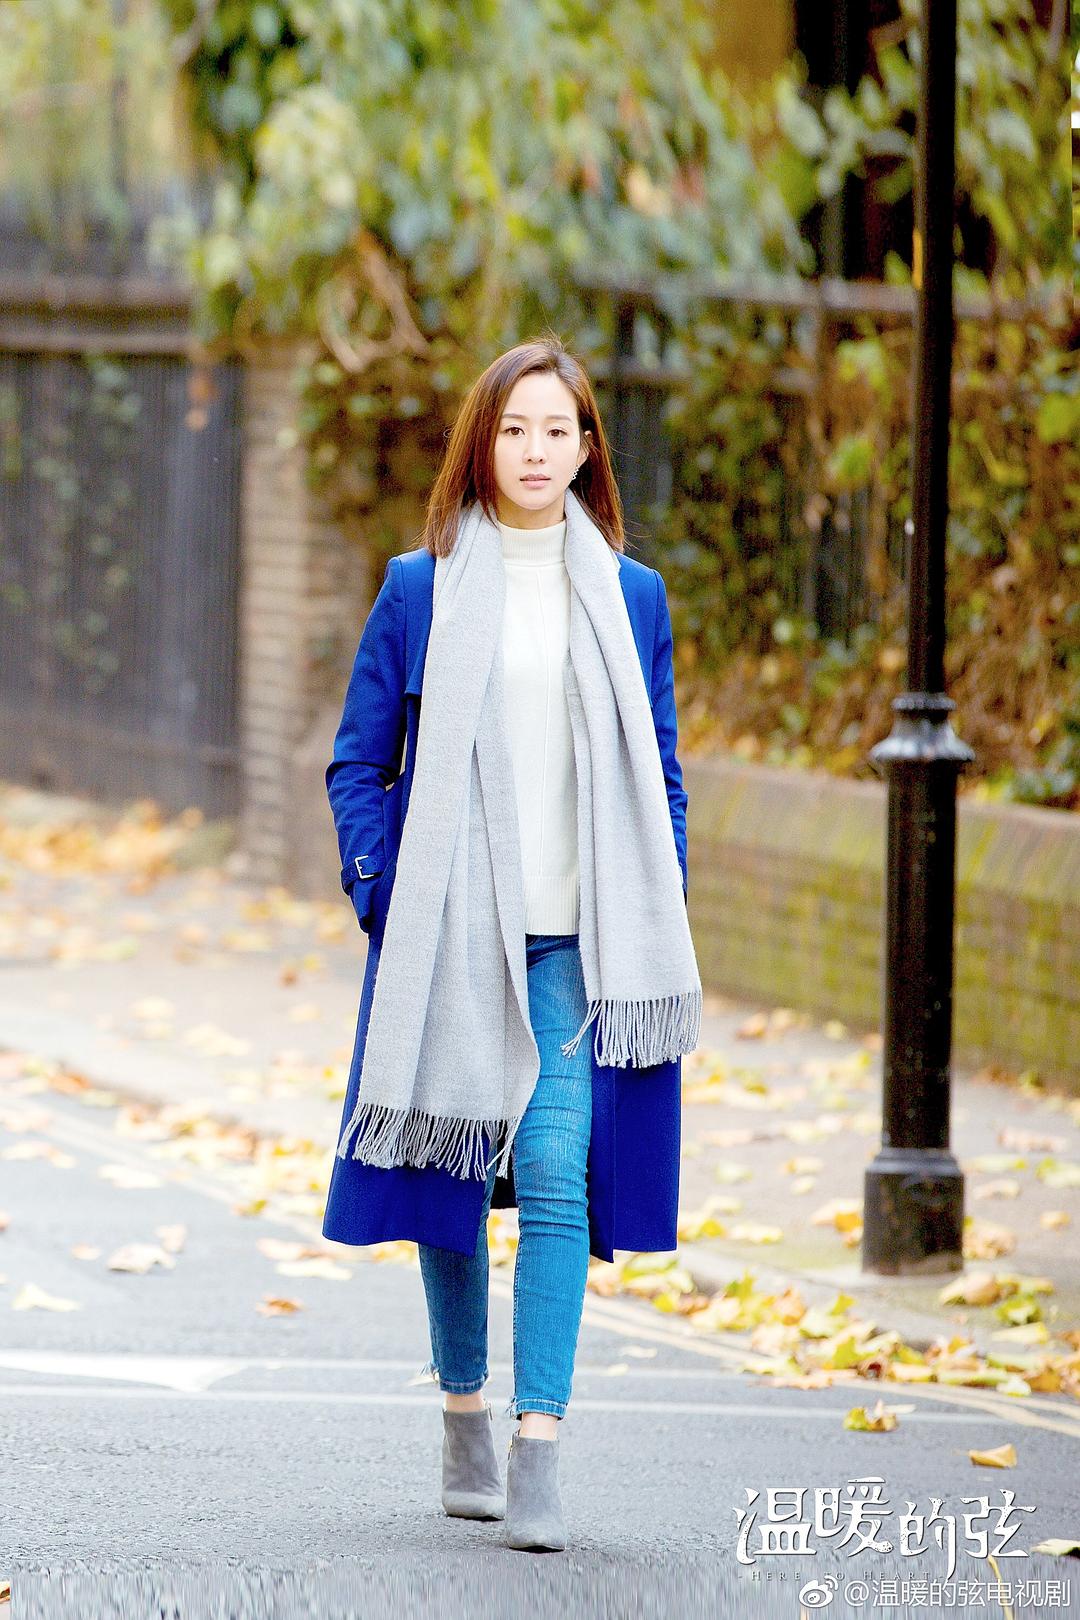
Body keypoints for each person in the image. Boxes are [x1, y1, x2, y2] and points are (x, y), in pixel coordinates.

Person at [322, 334, 700, 1552]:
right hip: (452, 942)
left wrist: (658, 893)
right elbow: (357, 764)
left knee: (551, 1171)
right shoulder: (420, 589)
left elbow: (662, 776)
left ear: (588, 449)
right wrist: (384, 891)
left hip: (573, 950)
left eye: (558, 430)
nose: (535, 451)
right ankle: (463, 1412)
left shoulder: (632, 597)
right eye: (514, 429)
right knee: (451, 1174)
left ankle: (540, 1444)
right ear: (482, 446)